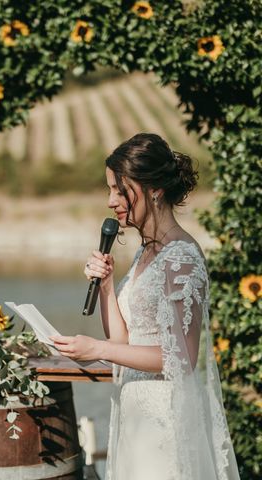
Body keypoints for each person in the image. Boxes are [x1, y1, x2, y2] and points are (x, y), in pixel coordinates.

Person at [50, 133, 239, 480]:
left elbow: (180, 358)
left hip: (163, 422)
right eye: (110, 190)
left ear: (154, 189)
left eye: (120, 190)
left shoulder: (181, 257)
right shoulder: (144, 253)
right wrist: (107, 288)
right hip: (134, 415)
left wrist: (96, 348)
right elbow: (125, 343)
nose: (111, 201)